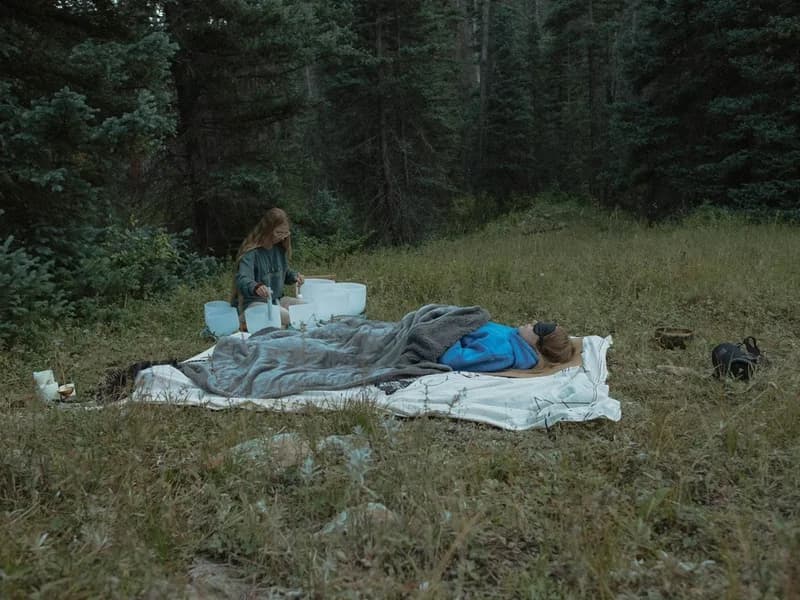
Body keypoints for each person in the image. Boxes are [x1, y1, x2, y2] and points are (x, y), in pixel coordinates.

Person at [232, 207, 305, 327]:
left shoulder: (278, 249)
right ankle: (243, 320)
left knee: (305, 308)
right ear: (268, 230)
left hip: (276, 301)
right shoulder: (252, 253)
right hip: (253, 304)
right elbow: (242, 279)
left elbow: (284, 273)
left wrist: (294, 276)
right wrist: (256, 287)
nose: (283, 237)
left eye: (285, 233)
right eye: (279, 233)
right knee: (288, 316)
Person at [438, 320, 576, 373]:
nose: (533, 322)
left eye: (538, 328)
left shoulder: (502, 354)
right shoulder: (515, 336)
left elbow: (453, 359)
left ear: (537, 346)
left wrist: (450, 326)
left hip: (440, 329)